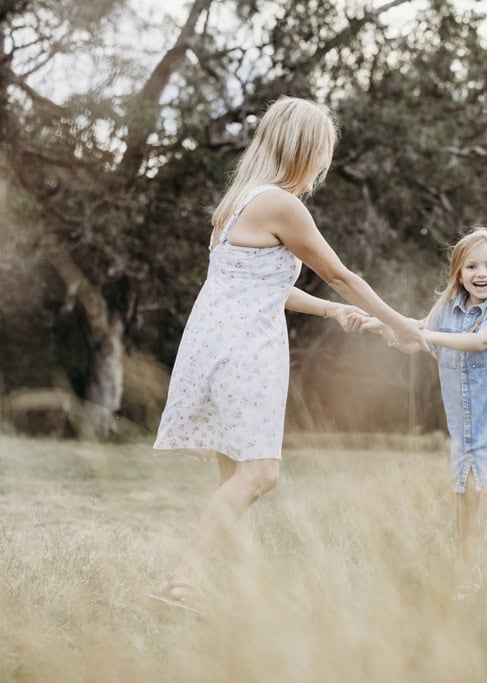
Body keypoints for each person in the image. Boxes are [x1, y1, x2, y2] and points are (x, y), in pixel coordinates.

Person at [150, 96, 425, 613]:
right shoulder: (281, 203)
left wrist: (334, 314)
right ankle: (181, 580)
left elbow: (261, 286)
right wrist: (401, 324)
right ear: (304, 149)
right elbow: (341, 274)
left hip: (216, 344)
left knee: (236, 476)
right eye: (323, 150)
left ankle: (236, 589)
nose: (325, 162)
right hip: (245, 351)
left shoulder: (236, 203)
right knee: (260, 475)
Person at [368, 227, 487, 609]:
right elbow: (415, 339)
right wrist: (386, 327)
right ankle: (468, 577)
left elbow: (479, 341)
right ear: (458, 273)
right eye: (472, 266)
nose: (482, 273)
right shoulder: (446, 311)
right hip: (465, 427)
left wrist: (431, 334)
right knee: (465, 503)